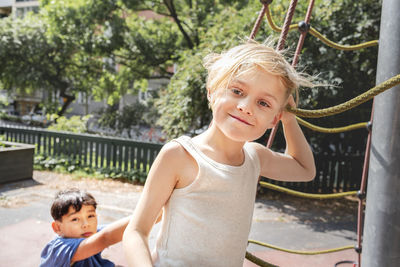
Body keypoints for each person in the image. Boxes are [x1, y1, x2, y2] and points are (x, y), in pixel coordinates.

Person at [123, 40, 317, 267]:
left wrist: (289, 118)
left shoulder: (255, 157)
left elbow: (305, 169)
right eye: (237, 91)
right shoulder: (181, 155)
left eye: (263, 103)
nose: (246, 106)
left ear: (274, 118)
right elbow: (136, 232)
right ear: (213, 90)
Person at [40, 188, 130, 267]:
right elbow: (105, 238)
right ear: (57, 228)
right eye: (75, 219)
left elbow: (119, 229)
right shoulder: (60, 248)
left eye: (90, 216)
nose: (86, 224)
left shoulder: (88, 232)